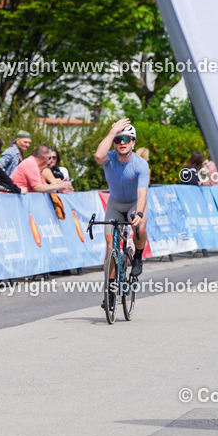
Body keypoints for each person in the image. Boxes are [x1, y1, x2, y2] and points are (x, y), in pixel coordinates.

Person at [94, 118, 149, 307]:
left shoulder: (141, 165)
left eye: (126, 139)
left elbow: (142, 194)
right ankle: (109, 291)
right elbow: (98, 156)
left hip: (134, 203)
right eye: (118, 140)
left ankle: (138, 256)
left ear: (133, 142)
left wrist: (139, 214)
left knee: (139, 226)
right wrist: (112, 132)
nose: (122, 143)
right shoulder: (109, 158)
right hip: (115, 204)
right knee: (110, 244)